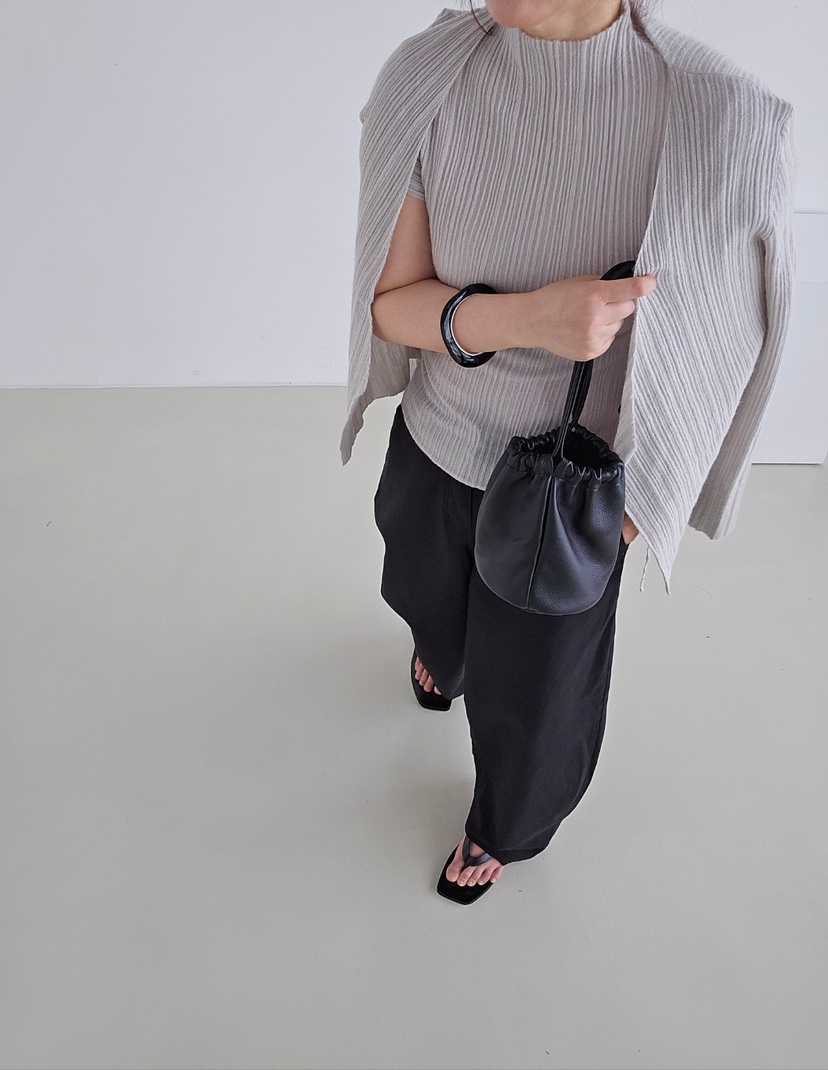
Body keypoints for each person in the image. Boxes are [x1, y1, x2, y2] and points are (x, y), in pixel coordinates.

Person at [347, 0, 796, 903]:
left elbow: (724, 348)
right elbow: (390, 306)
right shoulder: (427, 77)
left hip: (567, 490)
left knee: (536, 704)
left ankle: (504, 827)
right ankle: (446, 650)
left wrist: (628, 514)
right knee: (425, 597)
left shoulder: (720, 115)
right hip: (436, 444)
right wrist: (534, 320)